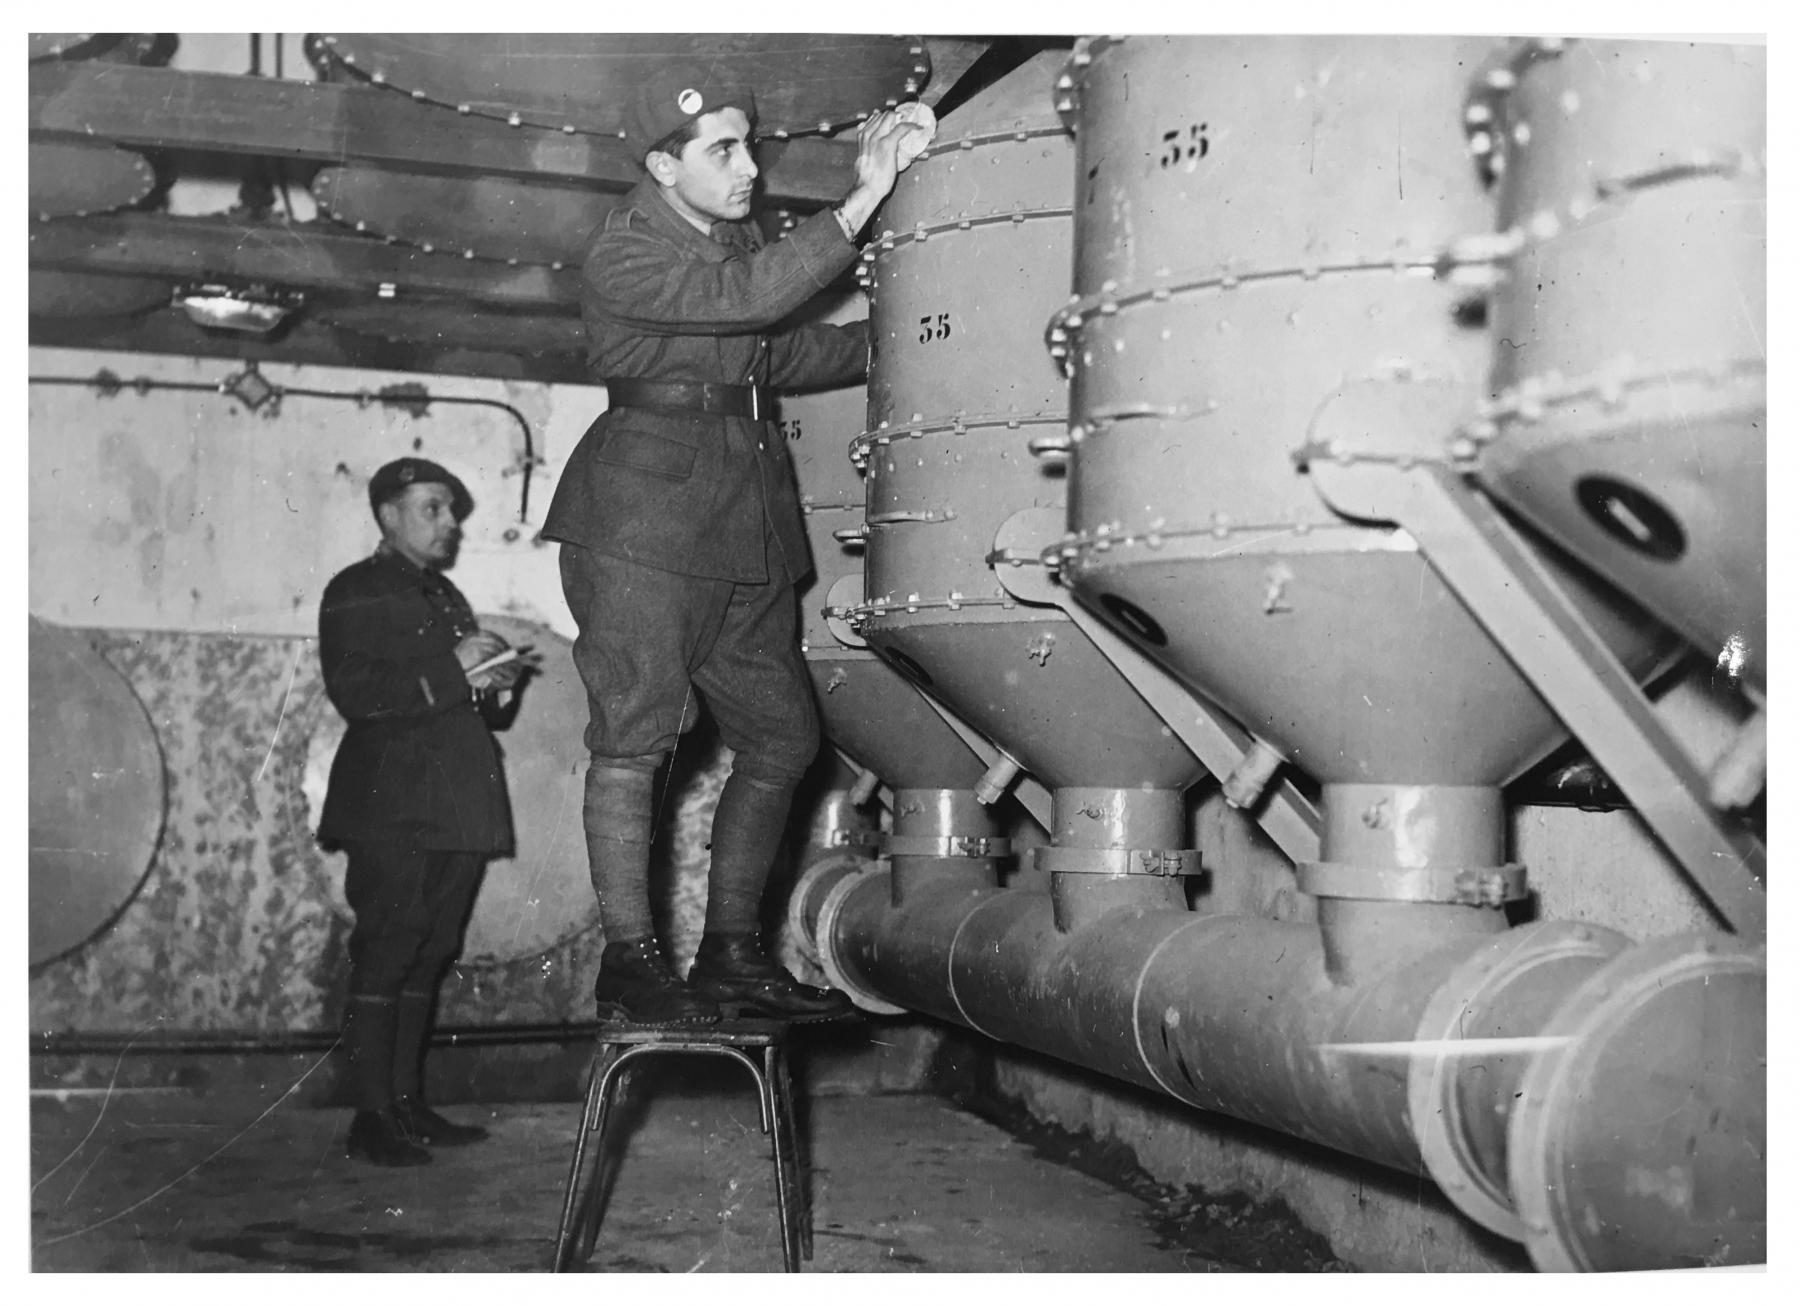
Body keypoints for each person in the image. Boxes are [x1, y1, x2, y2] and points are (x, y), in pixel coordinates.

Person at [541, 63, 925, 1025]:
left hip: (742, 526)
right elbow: (748, 304)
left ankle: (729, 956)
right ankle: (631, 964)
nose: (749, 164)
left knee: (784, 738)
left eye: (747, 142)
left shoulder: (730, 242)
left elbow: (773, 350)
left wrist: (904, 338)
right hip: (642, 528)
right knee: (635, 737)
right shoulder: (624, 253)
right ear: (662, 165)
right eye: (723, 149)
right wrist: (860, 202)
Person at [318, 457, 531, 1166]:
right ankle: (370, 1116)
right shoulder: (357, 588)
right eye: (432, 509)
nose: (450, 525)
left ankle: (405, 1104)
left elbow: (471, 711)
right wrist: (456, 666)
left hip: (454, 808)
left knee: (431, 953)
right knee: (387, 952)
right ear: (388, 515)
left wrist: (495, 686)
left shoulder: (445, 595)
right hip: (393, 806)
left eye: (451, 512)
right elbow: (357, 693)